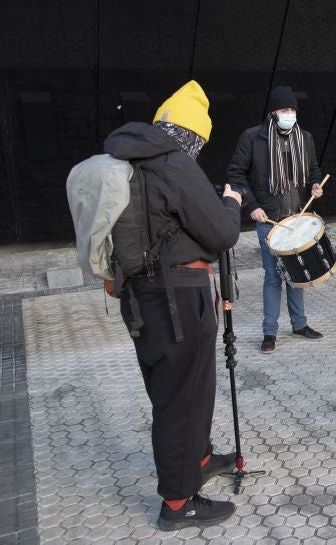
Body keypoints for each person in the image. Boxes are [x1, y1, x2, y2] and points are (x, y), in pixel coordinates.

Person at [105, 80, 243, 530]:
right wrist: (230, 202)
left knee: (177, 389)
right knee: (180, 398)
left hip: (142, 299)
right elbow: (221, 233)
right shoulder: (174, 165)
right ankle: (179, 504)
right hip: (178, 299)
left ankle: (198, 458)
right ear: (192, 135)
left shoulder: (127, 158)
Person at [228, 86, 324, 354]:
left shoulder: (305, 138)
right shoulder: (253, 138)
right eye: (284, 110)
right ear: (273, 112)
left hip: (298, 216)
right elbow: (236, 174)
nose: (289, 114)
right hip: (268, 219)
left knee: (297, 274)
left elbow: (313, 169)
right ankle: (269, 332)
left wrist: (316, 184)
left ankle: (299, 324)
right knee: (272, 278)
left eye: (293, 110)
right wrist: (252, 206)